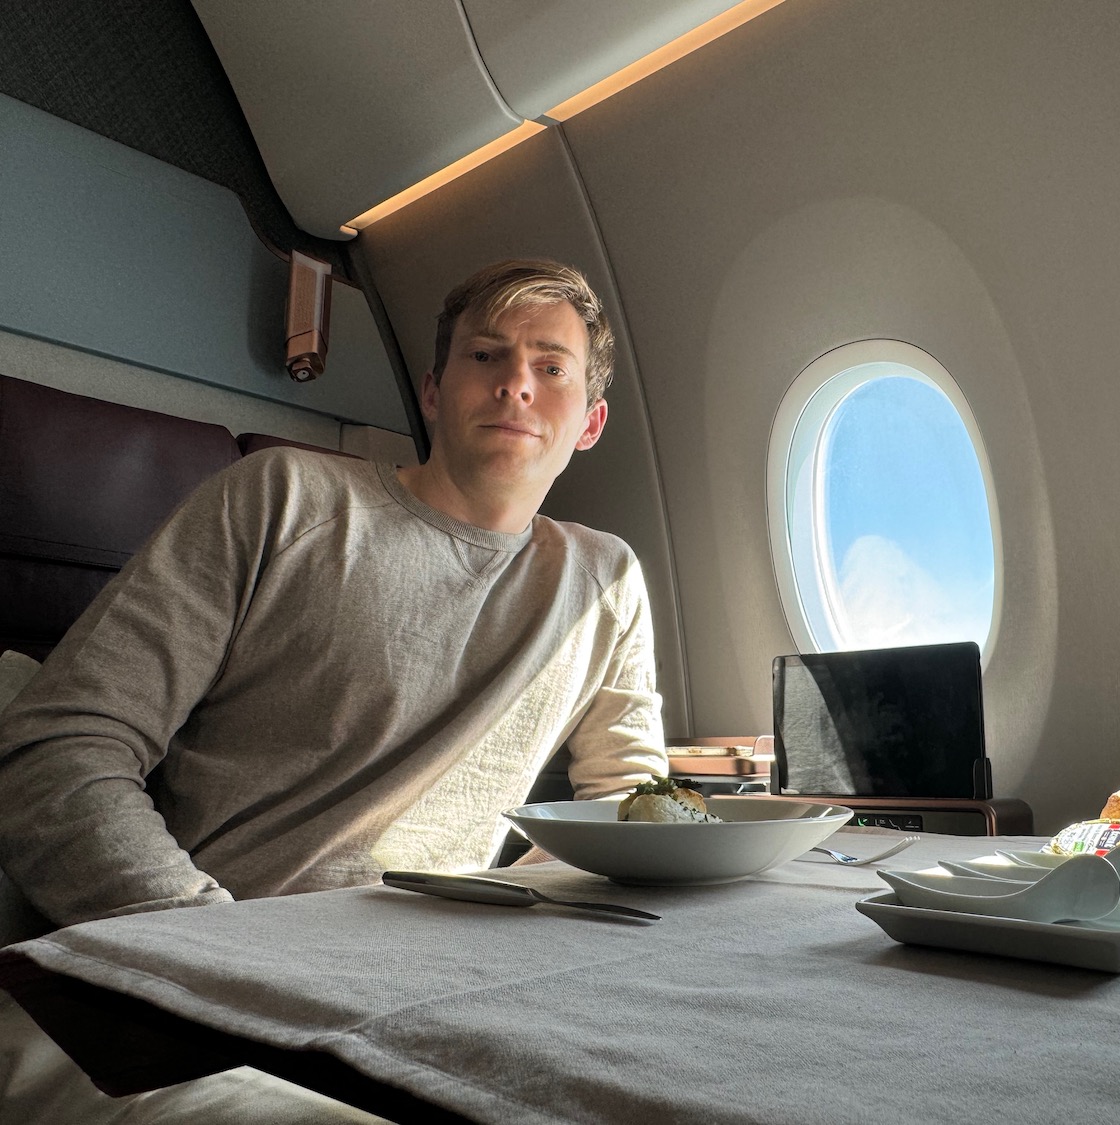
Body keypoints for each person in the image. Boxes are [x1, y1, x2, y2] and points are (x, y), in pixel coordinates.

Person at [0, 258, 667, 1121]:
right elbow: (57, 751)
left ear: (591, 421)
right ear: (432, 391)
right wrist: (217, 952)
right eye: (486, 356)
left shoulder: (605, 580)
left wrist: (514, 929)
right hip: (184, 985)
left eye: (551, 367)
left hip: (429, 992)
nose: (515, 386)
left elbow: (631, 811)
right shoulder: (284, 499)